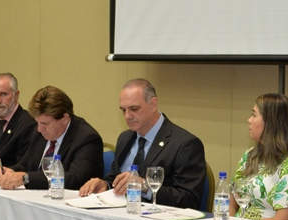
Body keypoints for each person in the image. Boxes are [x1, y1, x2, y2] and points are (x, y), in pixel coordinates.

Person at [79, 78, 206, 210]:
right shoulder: (125, 138)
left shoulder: (185, 144)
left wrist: (145, 187)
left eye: (134, 109)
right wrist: (105, 184)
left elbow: (189, 200)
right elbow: (115, 179)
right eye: (123, 110)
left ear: (153, 104)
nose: (127, 116)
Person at [0, 85, 103, 190]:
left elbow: (74, 179)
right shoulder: (40, 132)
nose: (39, 129)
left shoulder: (87, 139)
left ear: (64, 118)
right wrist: (10, 172)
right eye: (37, 122)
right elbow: (25, 165)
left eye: (44, 123)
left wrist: (26, 178)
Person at [229, 93, 288, 220]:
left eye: (254, 115)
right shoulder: (249, 156)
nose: (249, 120)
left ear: (270, 123)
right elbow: (231, 204)